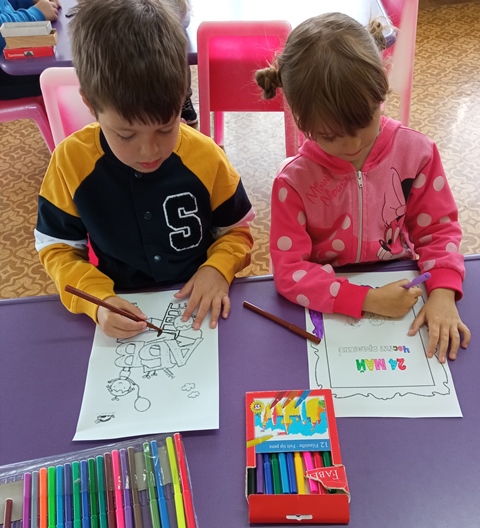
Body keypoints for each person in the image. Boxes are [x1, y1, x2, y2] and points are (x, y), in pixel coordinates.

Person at [255, 12, 470, 364]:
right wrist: (366, 299)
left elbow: (438, 230)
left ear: (381, 84)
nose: (353, 144)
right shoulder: (292, 182)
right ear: (299, 118)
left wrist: (443, 292)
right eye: (330, 136)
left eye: (365, 121)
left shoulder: (417, 153)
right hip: (332, 298)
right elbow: (290, 271)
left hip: (401, 280)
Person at [35, 0, 254, 339]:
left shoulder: (206, 157)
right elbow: (58, 248)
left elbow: (236, 231)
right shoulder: (70, 162)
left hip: (200, 302)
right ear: (90, 104)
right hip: (119, 300)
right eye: (126, 135)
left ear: (182, 98)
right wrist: (96, 299)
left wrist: (218, 268)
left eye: (166, 128)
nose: (150, 150)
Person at [0, 0, 59, 99]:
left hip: (12, 59)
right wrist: (36, 13)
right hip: (4, 78)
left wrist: (29, 1)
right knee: (59, 76)